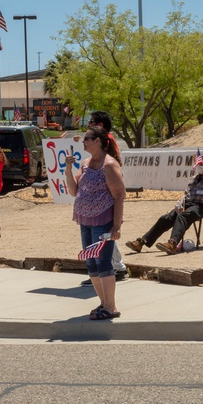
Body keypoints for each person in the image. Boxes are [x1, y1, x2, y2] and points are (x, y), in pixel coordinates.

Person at [65, 125, 126, 319]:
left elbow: (119, 196)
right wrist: (68, 169)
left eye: (87, 139)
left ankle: (111, 307)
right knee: (91, 262)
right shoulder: (85, 163)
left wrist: (116, 226)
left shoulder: (109, 165)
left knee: (103, 262)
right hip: (85, 220)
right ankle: (103, 303)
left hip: (103, 220)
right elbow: (74, 191)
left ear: (97, 141)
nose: (83, 142)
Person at [126, 152, 203, 255]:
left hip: (202, 206)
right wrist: (180, 204)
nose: (201, 166)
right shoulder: (195, 178)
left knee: (183, 216)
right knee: (166, 218)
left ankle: (172, 243)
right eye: (200, 163)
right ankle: (142, 242)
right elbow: (186, 194)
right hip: (189, 204)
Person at [84, 111, 127, 282]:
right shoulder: (102, 140)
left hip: (105, 192)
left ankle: (114, 267)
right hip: (99, 193)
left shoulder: (106, 141)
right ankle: (116, 266)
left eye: (92, 122)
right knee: (103, 234)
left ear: (100, 125)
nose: (88, 124)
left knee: (104, 232)